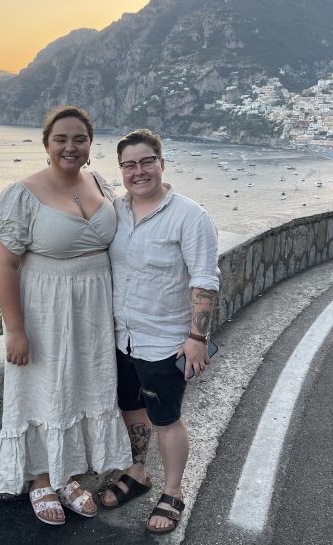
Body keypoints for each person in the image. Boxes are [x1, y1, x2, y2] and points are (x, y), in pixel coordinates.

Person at [0, 106, 132, 526]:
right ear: (46, 144)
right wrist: (15, 329)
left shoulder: (99, 183)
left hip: (92, 308)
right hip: (44, 310)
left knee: (82, 386)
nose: (71, 146)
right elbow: (4, 266)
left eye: (80, 139)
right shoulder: (22, 194)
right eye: (62, 139)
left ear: (90, 144)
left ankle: (67, 475)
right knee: (44, 389)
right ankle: (40, 480)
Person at [101, 128, 219, 535]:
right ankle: (138, 473)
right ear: (121, 170)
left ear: (161, 163)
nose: (139, 171)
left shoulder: (190, 216)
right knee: (131, 409)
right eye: (129, 165)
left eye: (146, 161)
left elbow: (204, 279)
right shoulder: (115, 212)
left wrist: (197, 338)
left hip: (164, 341)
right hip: (121, 337)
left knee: (166, 419)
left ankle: (172, 491)